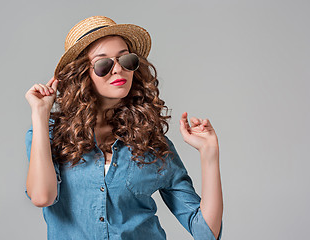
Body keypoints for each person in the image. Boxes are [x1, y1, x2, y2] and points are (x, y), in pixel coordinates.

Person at [24, 16, 223, 240]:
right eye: (103, 64)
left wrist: (209, 154)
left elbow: (206, 232)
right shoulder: (51, 136)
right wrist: (40, 115)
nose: (118, 69)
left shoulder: (151, 143)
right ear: (82, 75)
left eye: (125, 59)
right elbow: (42, 197)